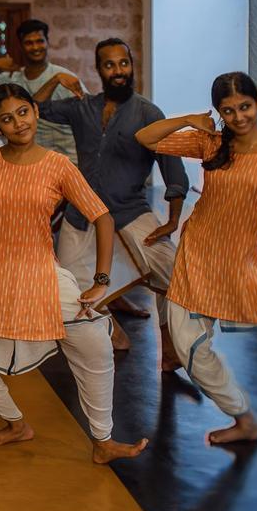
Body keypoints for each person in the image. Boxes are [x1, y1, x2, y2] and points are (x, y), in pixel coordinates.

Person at [0, 83, 148, 464]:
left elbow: (102, 217)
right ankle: (16, 423)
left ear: (36, 112)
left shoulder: (57, 165)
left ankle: (102, 441)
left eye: (23, 112)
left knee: (95, 345)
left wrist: (100, 281)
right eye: (6, 118)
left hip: (38, 273)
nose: (17, 123)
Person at [135, 72, 257, 466]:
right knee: (190, 350)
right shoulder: (211, 142)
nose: (239, 116)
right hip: (199, 259)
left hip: (249, 261)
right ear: (220, 112)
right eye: (229, 110)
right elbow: (146, 138)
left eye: (245, 106)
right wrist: (193, 119)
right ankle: (244, 418)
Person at [34, 38, 189, 357]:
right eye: (109, 64)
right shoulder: (82, 107)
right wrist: (55, 79)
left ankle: (171, 344)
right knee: (66, 286)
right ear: (99, 69)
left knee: (176, 274)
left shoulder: (147, 112)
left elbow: (171, 163)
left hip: (130, 211)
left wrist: (173, 219)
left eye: (124, 63)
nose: (118, 71)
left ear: (131, 66)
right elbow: (36, 108)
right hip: (82, 214)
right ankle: (112, 332)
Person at [0, 19, 85, 164]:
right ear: (21, 46)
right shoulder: (9, 80)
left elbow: (89, 115)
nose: (35, 47)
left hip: (66, 161)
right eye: (29, 43)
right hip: (25, 164)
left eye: (40, 41)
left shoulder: (64, 78)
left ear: (47, 43)